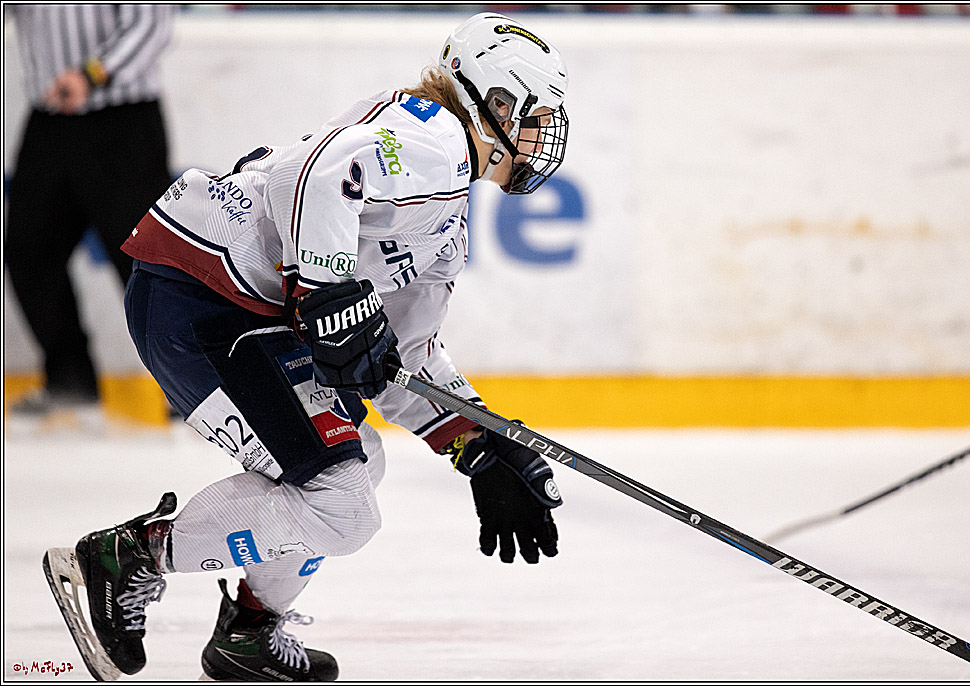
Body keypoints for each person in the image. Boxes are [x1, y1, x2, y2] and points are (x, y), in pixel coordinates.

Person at [43, 13, 570, 682]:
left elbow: (405, 354)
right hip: (201, 298)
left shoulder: (445, 198)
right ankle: (133, 557)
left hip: (227, 308)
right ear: (495, 103)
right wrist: (326, 290)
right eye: (535, 115)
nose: (541, 136)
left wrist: (480, 441)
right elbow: (313, 176)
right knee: (343, 507)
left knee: (354, 470)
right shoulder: (433, 141)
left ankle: (250, 631)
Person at [5, 5, 176, 420]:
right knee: (29, 249)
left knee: (146, 261)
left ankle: (187, 383)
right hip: (50, 118)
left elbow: (152, 24)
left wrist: (91, 74)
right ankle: (70, 377)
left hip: (122, 122)